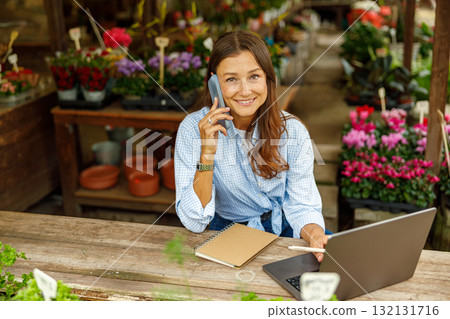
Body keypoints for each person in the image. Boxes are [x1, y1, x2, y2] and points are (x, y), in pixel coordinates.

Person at [174, 30, 328, 262]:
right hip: (225, 233)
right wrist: (207, 153)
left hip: (283, 228)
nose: (245, 91)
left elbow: (301, 204)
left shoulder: (292, 130)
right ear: (214, 83)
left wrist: (315, 234)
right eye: (232, 79)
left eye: (254, 76)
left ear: (267, 78)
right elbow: (195, 221)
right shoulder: (192, 128)